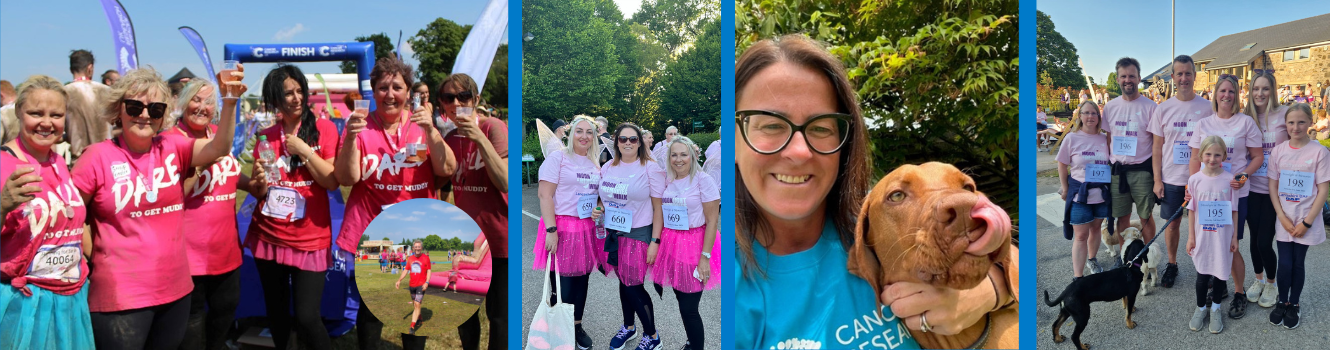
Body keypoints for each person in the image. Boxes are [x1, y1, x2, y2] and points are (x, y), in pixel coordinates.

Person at [734, 34, 1013, 349]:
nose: (799, 152)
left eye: (822, 127)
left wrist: (990, 287)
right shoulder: (730, 290)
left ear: (844, 143)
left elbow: (1011, 255)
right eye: (771, 125)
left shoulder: (869, 226)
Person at [72, 66, 240, 349]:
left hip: (175, 291)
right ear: (119, 109)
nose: (145, 114)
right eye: (136, 105)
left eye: (156, 108)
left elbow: (219, 148)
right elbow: (73, 217)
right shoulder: (96, 157)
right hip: (120, 296)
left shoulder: (173, 146)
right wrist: (96, 254)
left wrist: (231, 102)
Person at [333, 56, 457, 349]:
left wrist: (431, 130)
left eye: (397, 87)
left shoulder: (421, 125)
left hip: (417, 231)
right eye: (383, 87)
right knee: (373, 307)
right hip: (373, 232)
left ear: (408, 92)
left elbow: (447, 169)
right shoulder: (360, 127)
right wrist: (350, 139)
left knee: (415, 303)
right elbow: (346, 178)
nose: (390, 94)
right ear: (373, 92)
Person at [245, 64, 340, 350]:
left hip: (309, 237)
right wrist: (259, 182)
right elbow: (260, 192)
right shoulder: (266, 136)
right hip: (269, 234)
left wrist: (304, 150)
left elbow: (332, 182)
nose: (297, 98)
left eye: (300, 91)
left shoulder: (324, 128)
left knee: (308, 317)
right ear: (276, 99)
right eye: (289, 93)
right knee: (276, 313)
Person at [0, 75, 94, 349]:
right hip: (25, 305)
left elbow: (74, 226)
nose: (46, 122)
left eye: (56, 115)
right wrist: (3, 203)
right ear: (18, 112)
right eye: (35, 113)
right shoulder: (4, 163)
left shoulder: (58, 162)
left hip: (71, 299)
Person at [161, 79, 253, 350]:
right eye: (196, 100)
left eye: (209, 102)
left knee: (226, 308)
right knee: (192, 320)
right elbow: (167, 197)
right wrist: (200, 166)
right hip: (188, 253)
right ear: (182, 103)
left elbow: (232, 172)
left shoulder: (218, 134)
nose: (202, 107)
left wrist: (254, 184)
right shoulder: (170, 140)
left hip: (226, 249)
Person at [438, 73, 509, 350]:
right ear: (442, 105)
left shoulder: (494, 127)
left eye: (463, 96)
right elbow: (442, 183)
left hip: (500, 238)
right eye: (448, 98)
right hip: (467, 240)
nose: (457, 103)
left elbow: (505, 181)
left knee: (499, 316)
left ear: (476, 100)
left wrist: (479, 137)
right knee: (463, 311)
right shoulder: (450, 138)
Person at [1188, 73, 1262, 319]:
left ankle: (1239, 292)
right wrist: (1191, 187)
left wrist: (1242, 178)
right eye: (1222, 91)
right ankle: (1220, 287)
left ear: (1237, 95)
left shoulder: (1246, 123)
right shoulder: (1204, 124)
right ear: (1215, 94)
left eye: (1231, 91)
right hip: (1207, 195)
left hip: (1234, 194)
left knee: (1231, 246)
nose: (1227, 95)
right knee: (1208, 240)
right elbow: (1195, 158)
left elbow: (1257, 157)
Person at [589, 123, 665, 350]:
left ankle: (652, 336)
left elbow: (658, 209)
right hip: (613, 233)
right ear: (617, 142)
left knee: (633, 285)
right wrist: (599, 208)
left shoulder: (650, 168)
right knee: (624, 282)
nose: (628, 143)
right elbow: (602, 196)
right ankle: (629, 327)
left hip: (639, 233)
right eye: (624, 139)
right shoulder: (608, 167)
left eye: (633, 139)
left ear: (640, 142)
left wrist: (655, 241)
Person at [535, 115, 604, 349]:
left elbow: (598, 198)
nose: (584, 136)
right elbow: (544, 195)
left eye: (589, 132)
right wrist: (550, 229)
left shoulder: (595, 164)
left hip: (585, 228)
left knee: (582, 279)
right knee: (562, 282)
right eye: (579, 131)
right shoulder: (558, 158)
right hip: (561, 227)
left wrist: (598, 209)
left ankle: (576, 325)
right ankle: (555, 327)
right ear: (571, 133)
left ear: (594, 136)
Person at [1149, 55, 1214, 290]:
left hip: (1203, 179)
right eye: (1180, 73)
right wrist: (1157, 179)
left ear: (1195, 76)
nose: (1184, 78)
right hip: (1171, 178)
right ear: (1173, 77)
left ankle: (1205, 268)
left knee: (1203, 226)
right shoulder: (1163, 109)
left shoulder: (1208, 107)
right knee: (1173, 224)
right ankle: (1173, 263)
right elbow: (1157, 147)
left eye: (1188, 73)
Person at [652, 136, 720, 350]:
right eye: (674, 155)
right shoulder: (668, 180)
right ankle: (691, 341)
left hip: (694, 246)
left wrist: (705, 258)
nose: (678, 159)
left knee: (689, 308)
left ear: (692, 156)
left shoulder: (703, 180)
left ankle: (696, 346)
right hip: (672, 246)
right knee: (681, 300)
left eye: (683, 154)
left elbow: (712, 222)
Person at [1264, 103, 1325, 330]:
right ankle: (1282, 300)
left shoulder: (1319, 151)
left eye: (1301, 122)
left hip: (1306, 220)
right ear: (1285, 125)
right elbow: (1273, 186)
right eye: (1291, 122)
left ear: (1310, 122)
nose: (1296, 127)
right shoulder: (1279, 151)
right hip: (1285, 219)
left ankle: (1295, 303)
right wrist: (1281, 216)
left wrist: (1307, 222)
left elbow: (1323, 189)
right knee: (1285, 263)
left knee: (1298, 263)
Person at [1101, 57, 1159, 273]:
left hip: (1142, 170)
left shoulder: (1151, 107)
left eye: (1132, 76)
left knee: (1145, 216)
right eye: (1124, 76)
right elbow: (1108, 139)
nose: (1128, 80)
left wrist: (1156, 175)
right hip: (1118, 171)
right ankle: (1126, 257)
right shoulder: (1110, 107)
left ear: (1139, 78)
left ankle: (1148, 256)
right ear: (1118, 79)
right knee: (1122, 216)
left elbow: (1156, 143)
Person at [1240, 69, 1289, 310]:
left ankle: (1272, 283)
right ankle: (1258, 280)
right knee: (1253, 240)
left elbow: (1298, 145)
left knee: (1263, 241)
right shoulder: (1245, 118)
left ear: (1273, 91)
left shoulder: (1284, 114)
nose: (1260, 93)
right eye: (1255, 89)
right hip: (1251, 188)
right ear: (1250, 92)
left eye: (1265, 88)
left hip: (1275, 190)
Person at [1186, 135, 1241, 334]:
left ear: (1224, 156)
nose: (1212, 158)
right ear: (1200, 155)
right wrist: (1191, 237)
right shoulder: (1194, 180)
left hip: (1223, 237)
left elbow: (1234, 210)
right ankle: (1201, 308)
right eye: (1208, 154)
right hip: (1202, 236)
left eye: (1217, 154)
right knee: (1202, 275)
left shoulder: (1230, 180)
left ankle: (1216, 308)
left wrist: (1234, 237)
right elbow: (1192, 211)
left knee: (1220, 274)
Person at [1057, 101, 1110, 280]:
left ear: (1098, 116)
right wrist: (1065, 188)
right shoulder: (1072, 138)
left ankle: (1092, 259)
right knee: (1080, 235)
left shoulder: (1105, 139)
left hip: (1101, 194)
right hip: (1080, 194)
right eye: (1086, 113)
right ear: (1080, 116)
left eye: (1094, 113)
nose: (1090, 117)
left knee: (1096, 229)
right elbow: (1062, 164)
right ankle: (1078, 276)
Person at [64, 49, 111, 160]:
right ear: (90, 68)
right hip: (106, 159)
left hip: (80, 160)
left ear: (71, 69)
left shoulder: (63, 93)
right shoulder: (107, 91)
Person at [396, 240, 432, 334]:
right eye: (415, 246)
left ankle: (412, 327)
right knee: (415, 304)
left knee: (417, 304)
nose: (417, 248)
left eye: (419, 246)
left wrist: (427, 282)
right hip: (412, 285)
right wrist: (399, 280)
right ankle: (419, 318)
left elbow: (428, 270)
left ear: (421, 248)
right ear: (413, 248)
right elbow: (405, 270)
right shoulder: (410, 258)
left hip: (421, 285)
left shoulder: (426, 258)